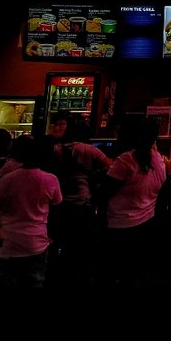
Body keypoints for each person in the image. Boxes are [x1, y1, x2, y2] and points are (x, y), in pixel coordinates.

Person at [98, 115, 168, 289]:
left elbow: (103, 193)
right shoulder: (158, 159)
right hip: (146, 222)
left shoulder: (125, 161)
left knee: (113, 274)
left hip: (119, 226)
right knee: (132, 274)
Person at [46, 113, 112, 288]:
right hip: (82, 202)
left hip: (60, 201)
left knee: (61, 240)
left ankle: (60, 276)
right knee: (82, 244)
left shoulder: (57, 149)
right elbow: (111, 167)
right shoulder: (89, 149)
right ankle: (80, 277)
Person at [0, 136, 62, 289]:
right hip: (36, 240)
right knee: (34, 282)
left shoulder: (6, 179)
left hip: (7, 241)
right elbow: (57, 206)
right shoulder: (50, 179)